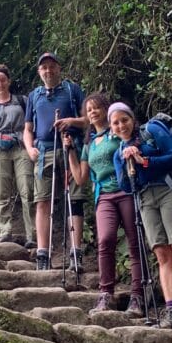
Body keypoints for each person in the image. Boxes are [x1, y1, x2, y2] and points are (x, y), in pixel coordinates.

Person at [112, 104, 172, 333]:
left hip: (171, 189)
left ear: (132, 119)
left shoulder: (152, 130)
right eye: (115, 123)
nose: (121, 125)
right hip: (145, 198)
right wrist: (126, 162)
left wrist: (144, 160)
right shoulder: (118, 152)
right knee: (162, 254)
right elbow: (124, 186)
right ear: (111, 128)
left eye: (124, 119)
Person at [64, 96, 144, 316]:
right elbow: (80, 178)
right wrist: (70, 150)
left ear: (105, 110)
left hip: (125, 190)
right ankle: (106, 293)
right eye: (89, 109)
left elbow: (133, 145)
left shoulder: (117, 133)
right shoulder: (89, 145)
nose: (93, 112)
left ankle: (138, 295)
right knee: (105, 240)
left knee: (134, 242)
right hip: (104, 196)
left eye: (97, 107)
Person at [24, 52, 88, 271]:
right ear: (39, 72)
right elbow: (28, 128)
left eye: (52, 66)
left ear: (59, 68)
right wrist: (29, 147)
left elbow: (88, 119)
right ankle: (43, 253)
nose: (48, 71)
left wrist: (70, 121)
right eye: (44, 68)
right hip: (44, 151)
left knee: (75, 199)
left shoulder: (72, 90)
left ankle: (75, 252)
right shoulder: (34, 95)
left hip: (70, 147)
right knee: (42, 200)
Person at [0, 65, 35, 245]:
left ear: (8, 81)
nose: (0, 84)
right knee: (1, 192)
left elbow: (30, 125)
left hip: (21, 146)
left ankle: (33, 234)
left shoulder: (21, 101)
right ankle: (3, 231)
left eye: (2, 80)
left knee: (27, 190)